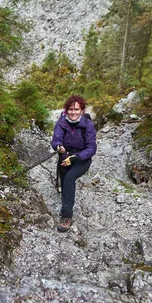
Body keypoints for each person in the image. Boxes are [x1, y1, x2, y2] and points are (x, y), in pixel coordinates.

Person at [51, 95, 97, 232]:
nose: (73, 112)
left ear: (82, 110)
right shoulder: (61, 122)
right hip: (65, 156)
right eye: (70, 109)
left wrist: (76, 158)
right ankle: (66, 199)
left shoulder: (88, 125)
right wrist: (59, 147)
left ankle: (66, 216)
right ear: (66, 110)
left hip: (82, 158)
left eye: (76, 109)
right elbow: (56, 139)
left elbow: (91, 148)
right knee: (65, 182)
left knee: (70, 178)